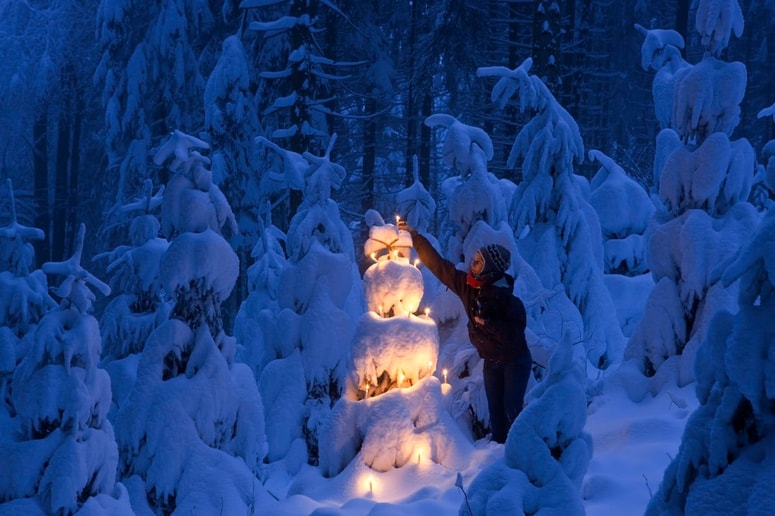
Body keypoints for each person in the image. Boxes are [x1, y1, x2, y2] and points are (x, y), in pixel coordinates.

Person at [399, 221, 531, 444]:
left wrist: (487, 323)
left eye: (478, 261)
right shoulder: (469, 286)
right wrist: (414, 236)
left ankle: (521, 454)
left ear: (490, 268)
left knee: (513, 412)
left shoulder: (509, 301)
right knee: (496, 414)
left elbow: (513, 337)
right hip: (492, 361)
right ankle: (497, 457)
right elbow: (440, 267)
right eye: (474, 259)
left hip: (514, 362)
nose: (472, 263)